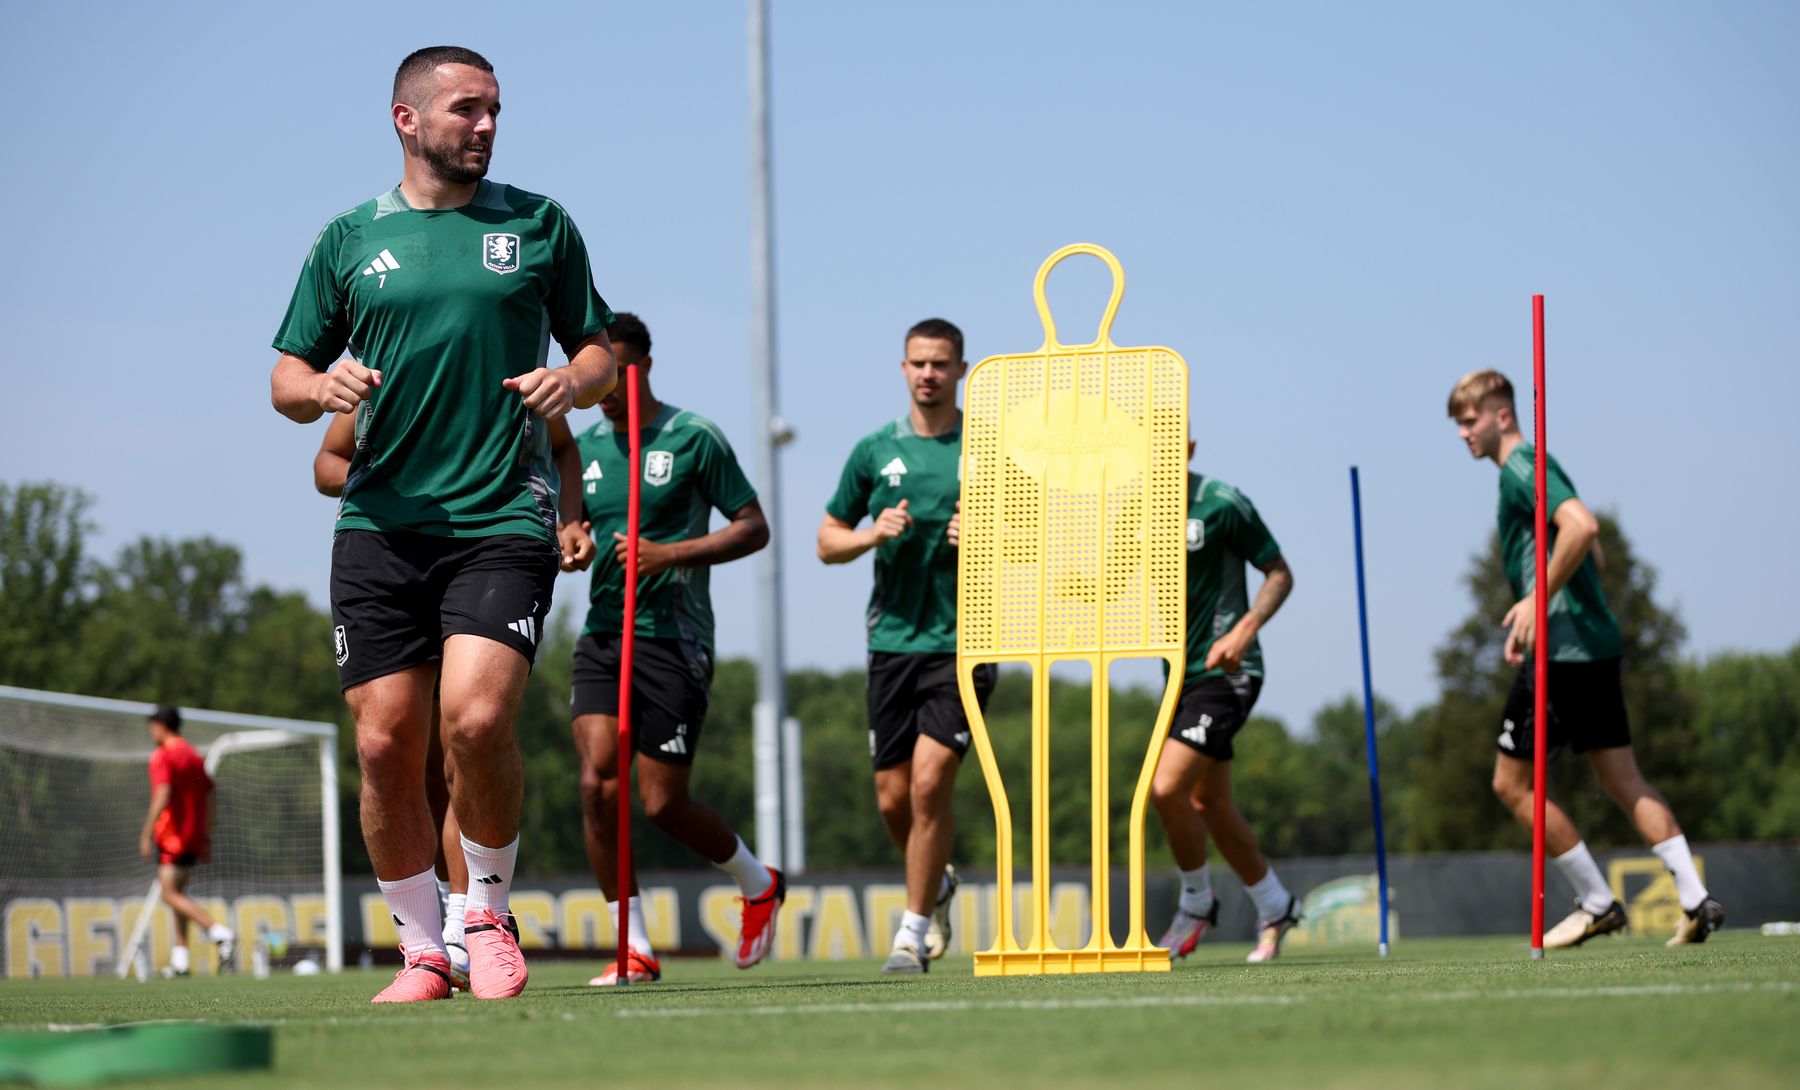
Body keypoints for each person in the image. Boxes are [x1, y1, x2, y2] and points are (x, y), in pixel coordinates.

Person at [269, 45, 617, 1003]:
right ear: (407, 119)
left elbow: (598, 348)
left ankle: (489, 915)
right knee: (385, 743)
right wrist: (319, 386)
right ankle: (423, 950)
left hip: (501, 512)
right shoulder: (347, 238)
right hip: (380, 523)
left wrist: (574, 379)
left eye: (496, 110)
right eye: (468, 109)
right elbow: (285, 376)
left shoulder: (539, 225)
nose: (488, 126)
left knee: (475, 717)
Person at [313, 412, 594, 988]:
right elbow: (325, 463)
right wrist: (396, 480)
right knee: (391, 746)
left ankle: (476, 916)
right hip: (389, 547)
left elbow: (563, 446)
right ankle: (432, 944)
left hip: (494, 542)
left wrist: (571, 517)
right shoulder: (375, 370)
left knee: (467, 733)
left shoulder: (514, 364)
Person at [1448, 369, 1723, 947]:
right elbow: (1590, 554)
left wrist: (1534, 601)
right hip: (1592, 644)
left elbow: (1583, 528)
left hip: (1563, 652)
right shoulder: (1543, 469)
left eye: (1469, 420)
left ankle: (1597, 902)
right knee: (1622, 777)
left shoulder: (1523, 468)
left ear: (1502, 415)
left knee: (1510, 784)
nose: (1462, 434)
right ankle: (1696, 899)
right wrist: (1534, 608)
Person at [568, 313, 782, 985]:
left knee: (661, 804)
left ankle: (758, 882)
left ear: (645, 367)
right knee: (598, 783)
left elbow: (754, 528)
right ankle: (632, 946)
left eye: (618, 373)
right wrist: (568, 540)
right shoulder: (580, 447)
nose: (606, 387)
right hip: (605, 633)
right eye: (595, 374)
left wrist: (671, 554)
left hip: (674, 638)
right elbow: (562, 522)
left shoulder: (693, 438)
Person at [817, 318, 995, 975]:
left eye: (941, 364)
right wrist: (871, 535)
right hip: (891, 643)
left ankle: (911, 933)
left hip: (966, 644)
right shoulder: (873, 451)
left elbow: (1038, 541)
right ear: (902, 369)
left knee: (928, 786)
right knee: (894, 799)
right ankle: (938, 886)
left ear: (961, 370)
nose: (929, 374)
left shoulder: (989, 447)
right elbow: (826, 540)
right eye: (918, 363)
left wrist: (990, 535)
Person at [1150, 445, 1301, 962]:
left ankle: (1195, 902)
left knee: (1165, 787)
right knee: (1207, 803)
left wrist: (1245, 628)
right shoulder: (1134, 510)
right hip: (1177, 680)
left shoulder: (1221, 502)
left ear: (1188, 446)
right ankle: (1277, 906)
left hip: (1228, 672)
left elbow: (1279, 572)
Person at [138, 705, 236, 976]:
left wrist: (146, 833)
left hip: (173, 837)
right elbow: (210, 795)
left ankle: (219, 932)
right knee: (179, 895)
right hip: (193, 837)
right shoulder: (193, 755)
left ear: (160, 726)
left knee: (169, 894)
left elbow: (163, 793)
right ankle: (180, 960)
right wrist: (206, 837)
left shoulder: (163, 755)